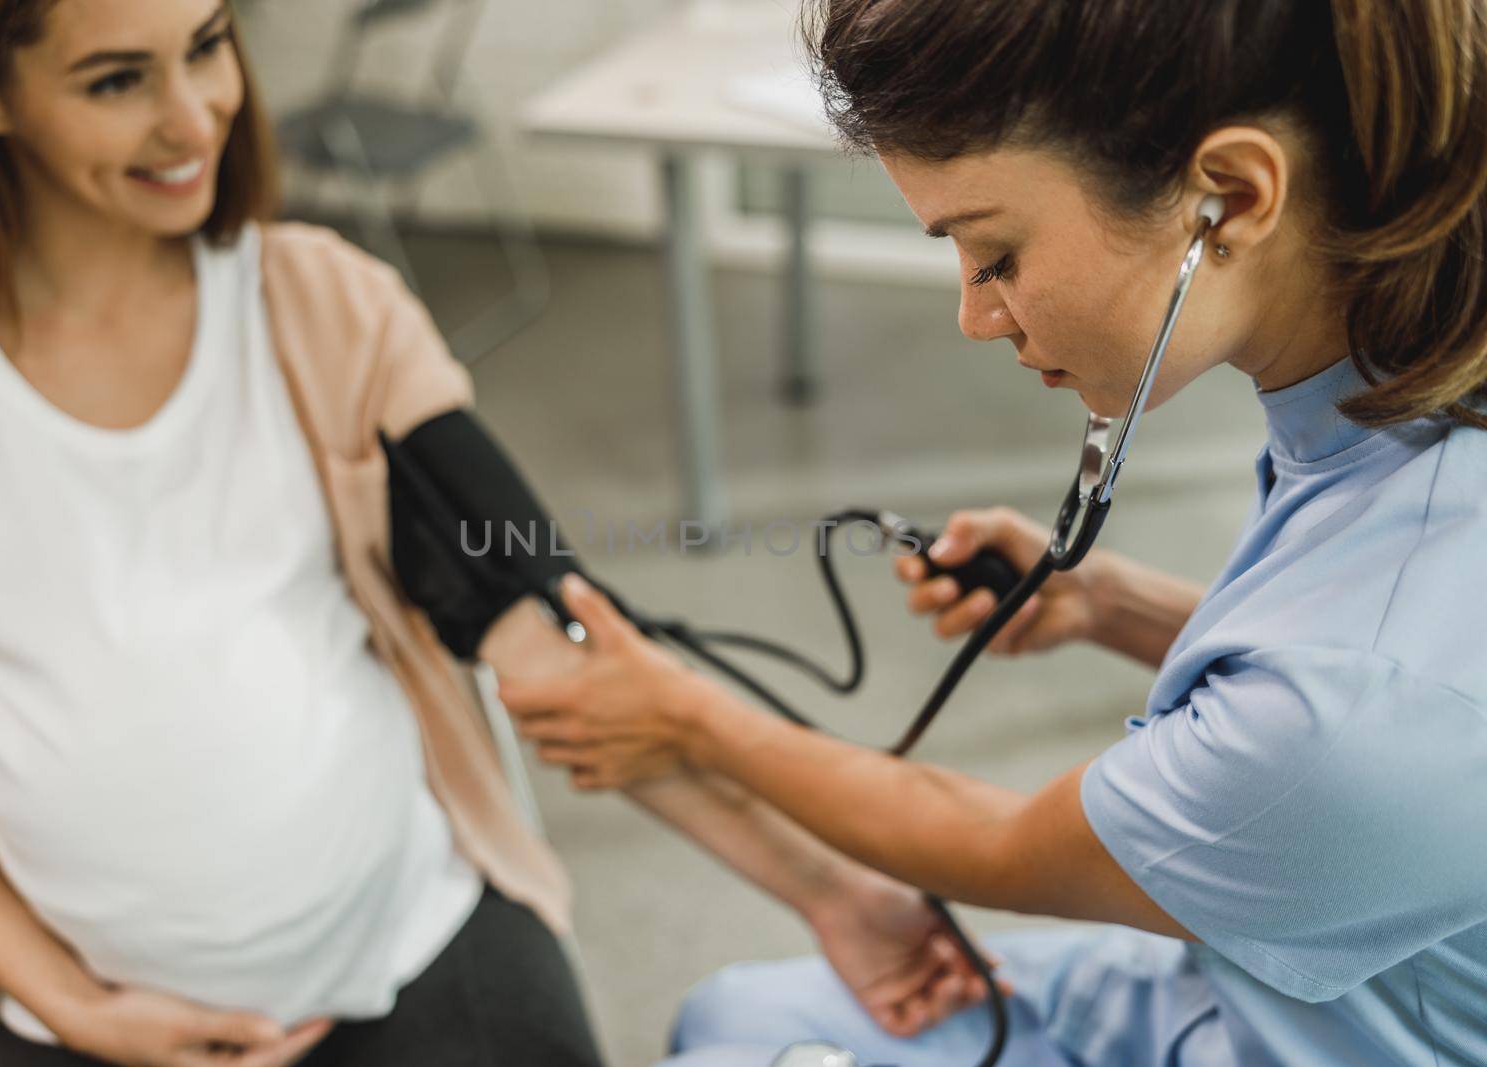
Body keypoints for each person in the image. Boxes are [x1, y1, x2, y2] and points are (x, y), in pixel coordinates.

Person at [0, 1, 1002, 1064]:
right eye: (117, 79)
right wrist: (69, 999)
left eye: (209, 45)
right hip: (92, 1016)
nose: (193, 117)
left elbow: (561, 644)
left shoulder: (327, 311)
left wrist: (832, 891)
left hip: (416, 951)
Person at [495, 0, 1487, 1064]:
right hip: (1233, 975)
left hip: (1302, 1035)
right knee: (737, 1017)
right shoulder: (1385, 396)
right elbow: (1346, 670)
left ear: (1230, 198)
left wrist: (684, 719)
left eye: (994, 252)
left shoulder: (1362, 702)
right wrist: (1107, 601)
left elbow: (1005, 841)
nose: (974, 314)